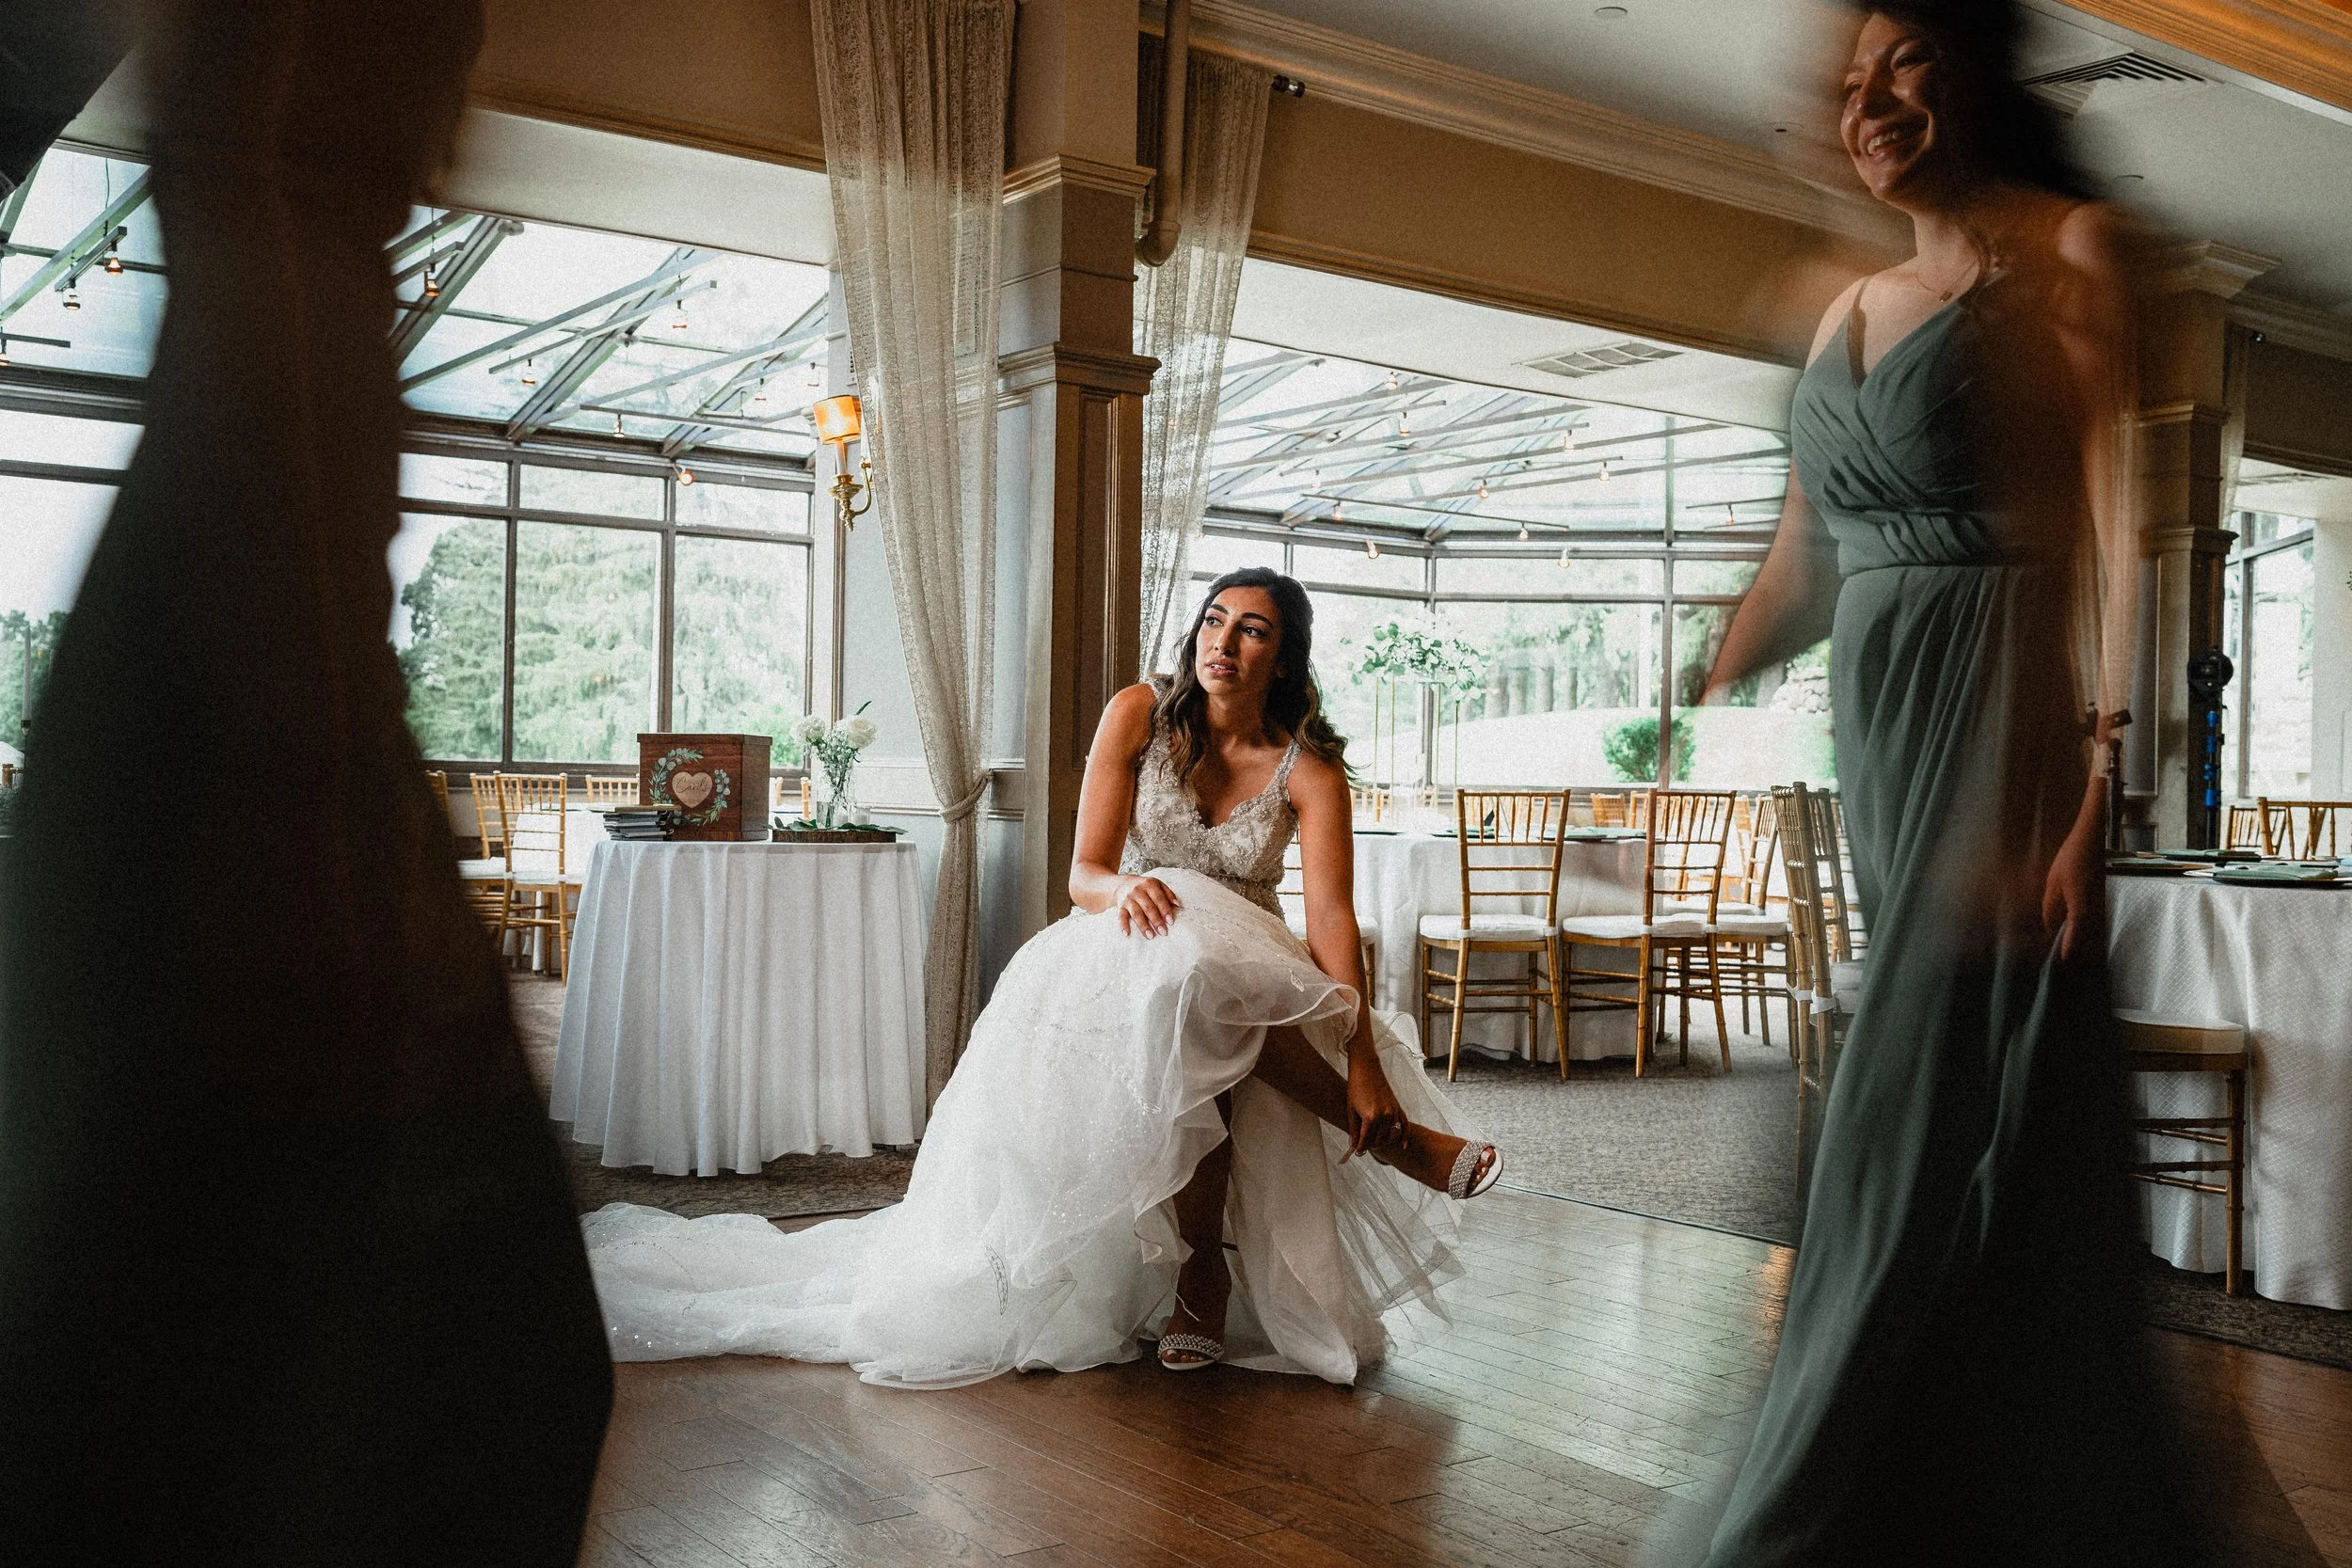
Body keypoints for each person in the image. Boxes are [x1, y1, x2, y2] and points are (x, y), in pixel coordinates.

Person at [0, 2, 612, 1562]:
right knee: (412, 1356)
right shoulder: (284, 244)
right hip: (261, 749)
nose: (457, 127)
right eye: (441, 63)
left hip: (247, 731)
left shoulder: (302, 246)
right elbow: (280, 546)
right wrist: (358, 925)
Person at [1690, 3, 2201, 1563]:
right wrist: (1722, 653)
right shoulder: (1844, 297)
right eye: (1849, 80)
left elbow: (2115, 519)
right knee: (1980, 1099)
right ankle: (2000, 1484)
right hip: (1886, 735)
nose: (1869, 100)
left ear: (1972, 66)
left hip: (2002, 723)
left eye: (1902, 59)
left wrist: (2097, 780)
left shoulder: (2075, 252)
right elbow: (1814, 550)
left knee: (1912, 1102)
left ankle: (1822, 1493)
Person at [583, 567, 1502, 1386]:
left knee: (1210, 997)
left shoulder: (1309, 769)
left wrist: (1363, 1053)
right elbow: (1085, 873)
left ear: (1286, 654)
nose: (1222, 642)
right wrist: (1131, 886)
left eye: (1251, 628)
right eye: (1213, 620)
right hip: (1129, 937)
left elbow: (1333, 918)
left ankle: (1208, 1267)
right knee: (1187, 977)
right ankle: (1234, 1248)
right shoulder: (1138, 710)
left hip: (1248, 961)